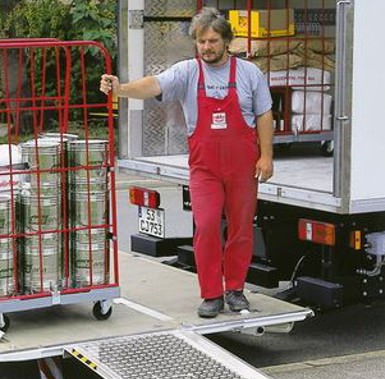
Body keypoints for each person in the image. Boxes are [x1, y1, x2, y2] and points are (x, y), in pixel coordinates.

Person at [100, 7, 274, 318]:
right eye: (201, 41)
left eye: (212, 41)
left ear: (226, 42)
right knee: (206, 226)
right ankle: (211, 295)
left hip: (242, 166)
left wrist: (266, 155)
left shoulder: (249, 74)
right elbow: (154, 85)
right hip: (205, 168)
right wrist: (120, 89)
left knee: (241, 229)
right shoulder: (187, 72)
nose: (206, 47)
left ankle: (235, 290)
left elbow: (264, 114)